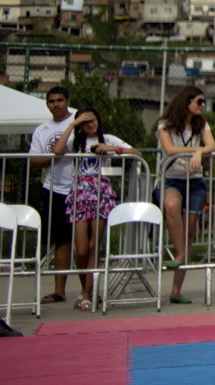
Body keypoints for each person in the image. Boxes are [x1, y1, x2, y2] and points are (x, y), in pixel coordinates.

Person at [53, 108, 136, 311]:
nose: (90, 124)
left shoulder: (108, 138)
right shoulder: (76, 141)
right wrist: (72, 124)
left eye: (93, 120)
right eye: (85, 121)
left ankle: (89, 293)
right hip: (80, 193)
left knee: (93, 247)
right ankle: (84, 289)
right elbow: (57, 150)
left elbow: (137, 152)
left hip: (100, 192)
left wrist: (112, 149)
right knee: (80, 249)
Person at [157, 85, 215, 305]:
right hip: (172, 179)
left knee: (188, 235)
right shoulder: (165, 124)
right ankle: (180, 256)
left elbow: (211, 144)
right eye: (199, 101)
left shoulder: (200, 124)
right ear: (186, 102)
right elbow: (170, 149)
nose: (202, 106)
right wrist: (196, 151)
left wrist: (200, 151)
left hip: (195, 182)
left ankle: (176, 290)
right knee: (171, 205)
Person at [28, 86, 75, 305]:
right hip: (54, 189)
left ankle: (89, 291)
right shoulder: (42, 129)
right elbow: (34, 162)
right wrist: (55, 155)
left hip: (81, 189)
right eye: (51, 101)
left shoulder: (79, 121)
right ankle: (59, 291)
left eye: (59, 100)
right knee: (61, 241)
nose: (55, 104)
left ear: (68, 101)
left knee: (88, 245)